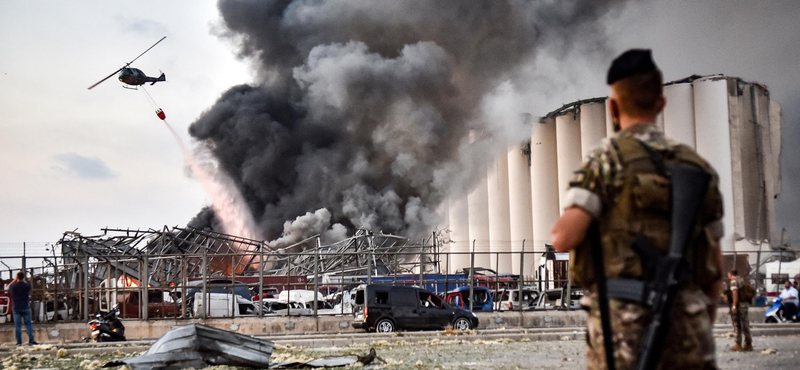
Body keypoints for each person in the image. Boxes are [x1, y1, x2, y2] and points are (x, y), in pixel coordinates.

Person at [551, 49, 725, 369]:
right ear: (661, 103)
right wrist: (699, 320)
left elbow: (563, 238)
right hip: (689, 324)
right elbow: (714, 267)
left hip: (623, 329)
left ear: (613, 107)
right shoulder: (697, 166)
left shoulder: (606, 159)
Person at [9, 271, 37, 346]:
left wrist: (15, 280)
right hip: (25, 306)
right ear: (23, 277)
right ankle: (31, 340)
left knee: (18, 326)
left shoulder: (14, 286)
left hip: (16, 307)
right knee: (28, 324)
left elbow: (8, 287)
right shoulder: (26, 286)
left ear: (17, 277)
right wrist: (23, 280)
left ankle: (19, 342)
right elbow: (29, 287)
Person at [727, 269, 752, 351]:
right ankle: (748, 344)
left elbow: (735, 293)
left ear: (731, 274)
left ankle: (738, 344)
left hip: (739, 305)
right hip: (745, 305)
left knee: (737, 324)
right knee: (745, 324)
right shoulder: (742, 280)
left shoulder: (734, 281)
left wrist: (734, 306)